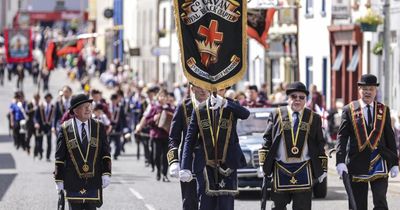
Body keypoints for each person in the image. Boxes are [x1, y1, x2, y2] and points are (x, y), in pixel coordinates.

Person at [259, 81, 327, 210]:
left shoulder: (314, 117)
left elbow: (320, 144)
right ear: (287, 98)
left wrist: (323, 168)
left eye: (301, 97)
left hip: (304, 169)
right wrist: (263, 163)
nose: (297, 100)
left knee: (302, 207)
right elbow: (267, 139)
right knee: (277, 207)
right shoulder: (276, 114)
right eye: (293, 97)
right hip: (280, 168)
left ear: (305, 100)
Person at [336, 74, 399, 210]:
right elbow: (342, 137)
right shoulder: (349, 109)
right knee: (358, 204)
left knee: (381, 200)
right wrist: (340, 161)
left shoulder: (383, 110)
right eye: (364, 89)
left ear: (375, 91)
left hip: (379, 161)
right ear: (359, 90)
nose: (367, 92)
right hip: (356, 160)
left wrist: (394, 162)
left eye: (371, 89)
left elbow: (390, 137)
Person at [179, 90, 250, 210]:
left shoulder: (231, 104)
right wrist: (185, 165)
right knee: (206, 205)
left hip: (228, 163)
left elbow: (245, 114)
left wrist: (225, 103)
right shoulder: (200, 109)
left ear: (225, 90)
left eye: (221, 88)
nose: (217, 91)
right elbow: (189, 139)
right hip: (205, 164)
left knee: (226, 205)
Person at [54, 93, 112, 210]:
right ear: (75, 110)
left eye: (89, 106)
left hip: (93, 179)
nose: (88, 109)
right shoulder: (65, 128)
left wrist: (106, 173)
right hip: (72, 180)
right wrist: (59, 179)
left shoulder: (99, 126)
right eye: (84, 106)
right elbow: (60, 156)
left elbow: (105, 152)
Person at [168, 84, 209, 210]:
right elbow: (173, 138)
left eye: (205, 87)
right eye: (199, 87)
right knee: (190, 201)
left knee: (208, 200)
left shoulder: (214, 105)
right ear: (192, 89)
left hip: (209, 161)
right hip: (189, 160)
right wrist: (174, 161)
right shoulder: (184, 107)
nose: (203, 90)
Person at [146, 89, 175, 182]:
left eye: (164, 96)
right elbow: (148, 121)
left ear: (167, 98)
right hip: (156, 135)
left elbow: (175, 121)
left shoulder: (170, 108)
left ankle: (164, 174)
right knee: (156, 156)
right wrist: (153, 119)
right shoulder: (155, 108)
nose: (163, 98)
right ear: (158, 97)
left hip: (166, 135)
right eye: (161, 96)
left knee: (166, 156)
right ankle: (158, 171)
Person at [34, 93, 55, 161]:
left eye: (50, 98)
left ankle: (48, 157)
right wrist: (36, 123)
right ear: (45, 98)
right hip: (41, 126)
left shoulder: (53, 107)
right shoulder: (41, 106)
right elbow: (35, 116)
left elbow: (54, 118)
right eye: (47, 98)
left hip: (48, 126)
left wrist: (53, 126)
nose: (48, 99)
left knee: (49, 142)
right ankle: (40, 154)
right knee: (40, 141)